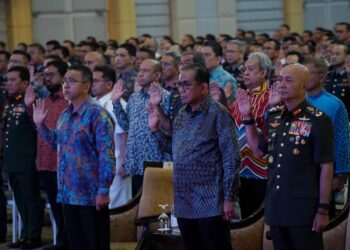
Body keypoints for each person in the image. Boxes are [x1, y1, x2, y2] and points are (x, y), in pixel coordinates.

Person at [237, 63, 334, 249]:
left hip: (303, 209)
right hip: (277, 206)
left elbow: (326, 167)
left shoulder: (319, 120)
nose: (281, 84)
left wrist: (322, 209)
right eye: (279, 79)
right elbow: (258, 150)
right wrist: (248, 118)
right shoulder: (274, 116)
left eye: (288, 80)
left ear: (304, 85)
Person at [148, 63, 240, 250]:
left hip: (211, 202)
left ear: (204, 87)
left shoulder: (218, 113)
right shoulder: (182, 114)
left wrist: (229, 198)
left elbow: (231, 158)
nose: (181, 90)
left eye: (187, 85)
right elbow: (177, 151)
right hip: (184, 202)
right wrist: (155, 130)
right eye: (179, 85)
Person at [33, 65, 115, 250]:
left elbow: (106, 154)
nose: (65, 85)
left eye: (71, 81)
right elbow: (58, 144)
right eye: (64, 81)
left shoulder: (97, 114)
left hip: (90, 194)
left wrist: (103, 190)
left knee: (95, 244)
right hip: (68, 193)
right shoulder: (65, 114)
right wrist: (41, 126)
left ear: (86, 86)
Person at [24, 60, 69, 250]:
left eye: (52, 75)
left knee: (67, 209)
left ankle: (69, 243)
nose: (47, 79)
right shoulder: (45, 100)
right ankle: (61, 242)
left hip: (63, 164)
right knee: (56, 209)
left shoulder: (68, 102)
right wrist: (28, 106)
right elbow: (37, 126)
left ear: (63, 77)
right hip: (44, 162)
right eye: (45, 76)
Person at [111, 59, 170, 195]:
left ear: (157, 75)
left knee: (158, 211)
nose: (140, 74)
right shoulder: (134, 97)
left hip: (156, 162)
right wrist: (116, 102)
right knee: (138, 212)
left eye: (146, 71)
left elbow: (170, 130)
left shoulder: (166, 97)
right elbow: (126, 125)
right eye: (139, 70)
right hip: (136, 162)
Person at [2, 66, 43, 249]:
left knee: (31, 199)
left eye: (13, 80)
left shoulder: (31, 102)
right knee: (20, 199)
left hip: (28, 159)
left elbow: (38, 130)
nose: (8, 83)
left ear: (25, 83)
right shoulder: (10, 102)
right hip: (12, 160)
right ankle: (25, 234)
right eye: (7, 80)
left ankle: (34, 236)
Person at [304, 57, 350, 218]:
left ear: (322, 76)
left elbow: (342, 140)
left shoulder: (334, 103)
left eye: (308, 74)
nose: (304, 79)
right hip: (300, 168)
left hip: (324, 168)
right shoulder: (296, 100)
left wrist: (340, 174)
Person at [229, 52, 271, 218]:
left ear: (263, 72)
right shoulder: (240, 97)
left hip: (263, 171)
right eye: (244, 69)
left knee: (263, 222)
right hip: (241, 170)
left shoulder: (271, 98)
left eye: (251, 69)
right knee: (246, 220)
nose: (245, 72)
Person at [92, 65, 131, 208]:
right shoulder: (93, 103)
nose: (92, 84)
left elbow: (124, 134)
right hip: (98, 163)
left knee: (115, 208)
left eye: (96, 81)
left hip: (116, 163)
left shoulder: (118, 104)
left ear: (109, 84)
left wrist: (124, 163)